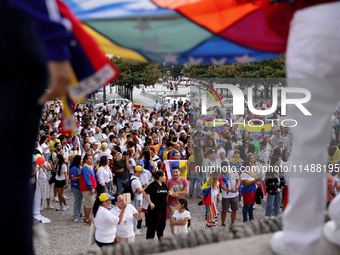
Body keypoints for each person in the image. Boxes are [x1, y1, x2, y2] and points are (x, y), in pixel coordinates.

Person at [143, 170, 170, 240]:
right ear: (160, 177)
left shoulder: (163, 184)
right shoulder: (153, 185)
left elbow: (164, 194)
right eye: (164, 175)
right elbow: (144, 193)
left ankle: (161, 239)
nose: (165, 177)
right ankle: (149, 241)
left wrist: (169, 193)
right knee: (152, 226)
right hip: (155, 209)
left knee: (162, 225)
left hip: (163, 208)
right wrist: (150, 202)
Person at [167, 166, 189, 234]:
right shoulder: (170, 181)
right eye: (173, 172)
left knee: (184, 220)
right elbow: (172, 195)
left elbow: (187, 192)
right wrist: (181, 193)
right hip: (173, 204)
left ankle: (185, 235)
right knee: (173, 222)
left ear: (179, 172)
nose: (175, 173)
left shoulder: (184, 180)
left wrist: (175, 193)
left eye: (176, 172)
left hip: (182, 205)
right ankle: (175, 237)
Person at [220, 161, 240, 227]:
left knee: (234, 209)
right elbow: (221, 185)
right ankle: (223, 223)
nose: (225, 170)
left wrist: (236, 187)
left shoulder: (233, 170)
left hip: (234, 194)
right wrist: (229, 190)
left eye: (226, 168)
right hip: (225, 195)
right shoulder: (221, 173)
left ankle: (232, 223)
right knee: (224, 210)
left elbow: (238, 180)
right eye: (224, 168)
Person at [80, 154, 97, 225]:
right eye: (90, 158)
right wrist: (91, 187)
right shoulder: (85, 168)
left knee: (87, 203)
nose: (91, 159)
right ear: (86, 160)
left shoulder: (88, 167)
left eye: (91, 158)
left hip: (88, 188)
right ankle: (87, 219)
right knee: (89, 204)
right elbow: (87, 179)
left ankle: (86, 218)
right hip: (88, 188)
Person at [130, 165, 147, 235]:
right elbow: (139, 191)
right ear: (137, 172)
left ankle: (134, 228)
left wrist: (142, 187)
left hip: (136, 198)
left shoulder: (132, 178)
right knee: (136, 214)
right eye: (140, 173)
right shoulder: (136, 181)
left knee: (135, 213)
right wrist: (145, 188)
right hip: (137, 199)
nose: (141, 174)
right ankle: (134, 229)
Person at [69, 155, 83, 222]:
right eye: (81, 160)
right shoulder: (73, 168)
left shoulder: (81, 166)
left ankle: (79, 212)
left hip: (80, 186)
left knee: (80, 200)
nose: (82, 161)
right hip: (75, 186)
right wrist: (82, 177)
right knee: (77, 200)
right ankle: (75, 216)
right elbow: (74, 178)